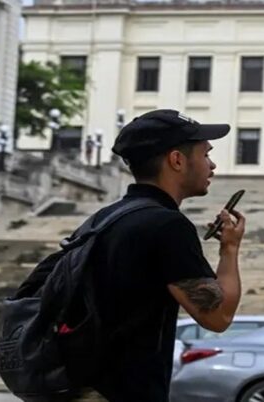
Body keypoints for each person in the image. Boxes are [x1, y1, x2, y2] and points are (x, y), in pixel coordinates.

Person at [61, 109, 246, 402]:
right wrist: (230, 249)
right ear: (176, 160)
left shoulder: (104, 219)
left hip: (79, 386)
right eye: (206, 154)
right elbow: (217, 317)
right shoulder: (167, 226)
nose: (212, 165)